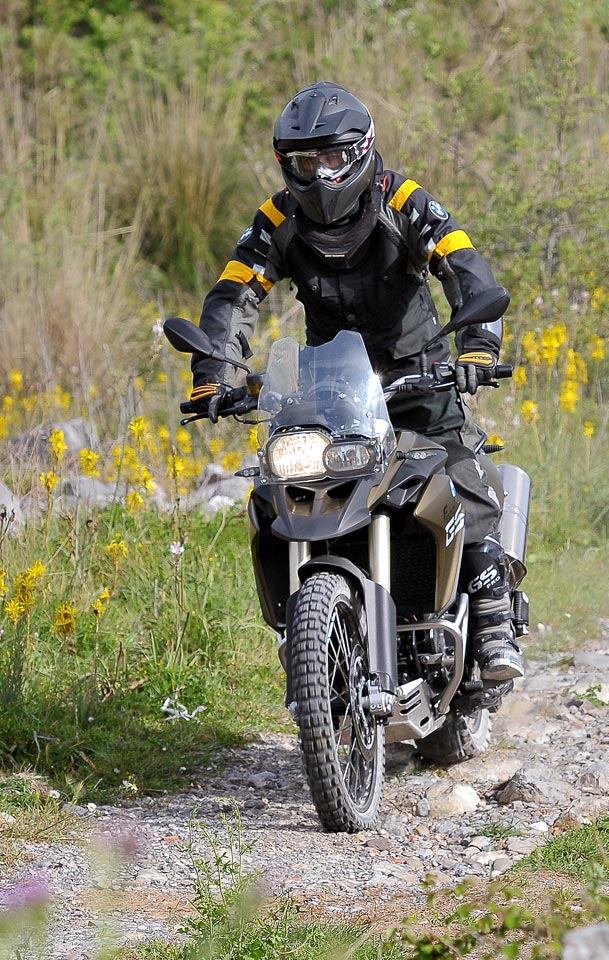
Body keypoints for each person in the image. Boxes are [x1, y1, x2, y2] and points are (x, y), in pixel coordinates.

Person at [186, 81, 523, 682]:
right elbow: (236, 294)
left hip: (420, 375)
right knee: (291, 485)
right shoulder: (277, 218)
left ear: (363, 151)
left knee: (453, 465)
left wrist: (476, 346)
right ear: (284, 165)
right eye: (303, 163)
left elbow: (464, 267)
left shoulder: (405, 200)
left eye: (333, 158)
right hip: (333, 387)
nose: (319, 176)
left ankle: (494, 620)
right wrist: (215, 371)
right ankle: (321, 639)